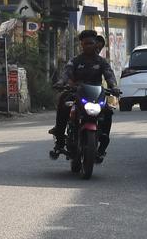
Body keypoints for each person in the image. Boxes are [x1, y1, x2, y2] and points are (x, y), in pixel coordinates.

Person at [49, 30, 119, 160]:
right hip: (76, 93)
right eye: (85, 43)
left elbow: (109, 75)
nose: (88, 46)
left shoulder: (101, 62)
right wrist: (61, 82)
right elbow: (66, 73)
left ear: (96, 44)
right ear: (81, 44)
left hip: (97, 94)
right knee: (64, 101)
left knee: (108, 111)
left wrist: (114, 87)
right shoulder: (75, 61)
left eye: (91, 43)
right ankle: (59, 140)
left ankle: (103, 143)